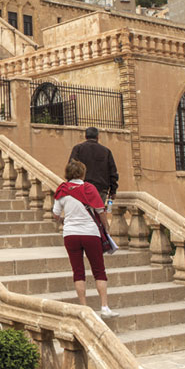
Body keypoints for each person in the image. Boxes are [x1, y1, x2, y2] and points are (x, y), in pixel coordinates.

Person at [52, 160, 118, 318]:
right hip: (90, 233)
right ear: (82, 173)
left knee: (78, 271)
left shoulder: (62, 190)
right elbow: (100, 211)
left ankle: (84, 309)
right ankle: (104, 307)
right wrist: (106, 227)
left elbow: (55, 215)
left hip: (70, 235)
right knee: (99, 271)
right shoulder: (89, 189)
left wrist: (64, 220)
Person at [68, 127, 119, 209]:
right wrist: (113, 191)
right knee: (98, 215)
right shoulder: (106, 151)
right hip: (100, 189)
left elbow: (71, 168)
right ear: (97, 137)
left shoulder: (78, 149)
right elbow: (113, 173)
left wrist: (70, 185)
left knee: (84, 215)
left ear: (85, 137)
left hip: (82, 189)